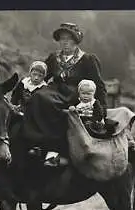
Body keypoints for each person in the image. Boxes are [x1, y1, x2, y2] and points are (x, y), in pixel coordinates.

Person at [22, 22, 109, 167]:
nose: (65, 42)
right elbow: (41, 75)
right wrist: (26, 88)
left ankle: (53, 149)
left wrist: (102, 108)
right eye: (62, 39)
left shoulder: (87, 59)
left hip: (74, 93)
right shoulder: (53, 58)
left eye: (69, 39)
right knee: (38, 97)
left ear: (76, 41)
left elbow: (98, 85)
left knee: (48, 102)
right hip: (54, 90)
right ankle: (36, 143)